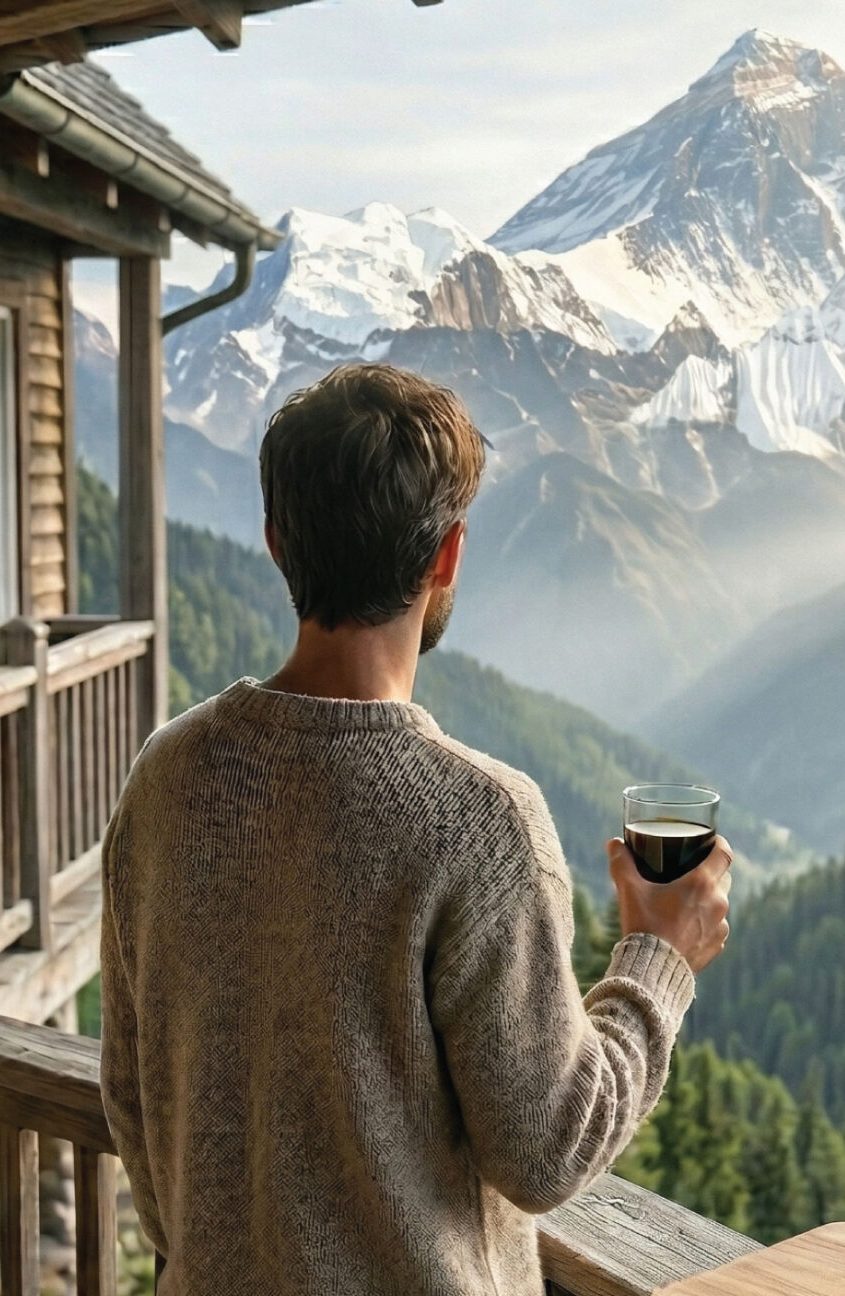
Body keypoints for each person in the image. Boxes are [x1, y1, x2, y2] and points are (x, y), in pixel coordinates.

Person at [98, 363, 732, 1295]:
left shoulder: (167, 776)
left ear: (277, 543)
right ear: (446, 557)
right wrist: (657, 960)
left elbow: (131, 1090)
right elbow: (548, 1149)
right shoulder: (480, 824)